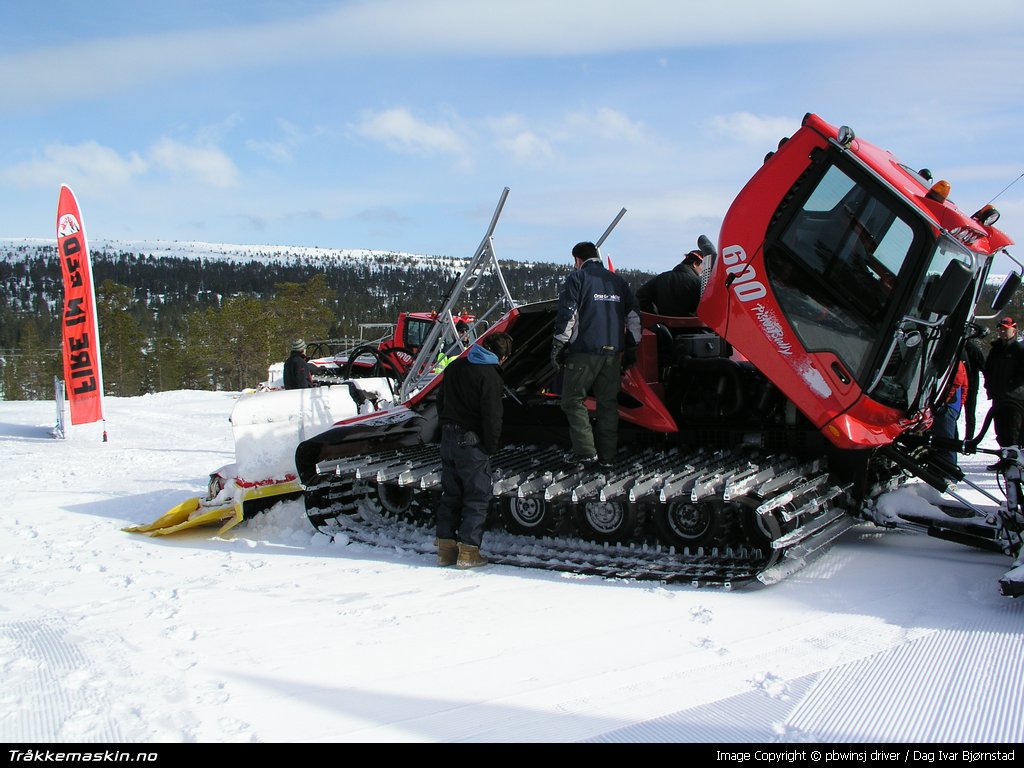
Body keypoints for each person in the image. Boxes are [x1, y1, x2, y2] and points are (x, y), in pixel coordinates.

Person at [550, 241, 642, 467]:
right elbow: (634, 316)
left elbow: (568, 314)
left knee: (572, 400)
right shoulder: (618, 281)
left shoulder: (577, 279)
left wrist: (558, 346)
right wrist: (631, 346)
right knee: (608, 404)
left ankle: (586, 452)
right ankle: (608, 456)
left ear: (578, 260)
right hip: (613, 353)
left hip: (584, 352)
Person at [434, 331, 514, 568]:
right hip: (471, 443)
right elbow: (492, 415)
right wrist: (490, 446)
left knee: (451, 494)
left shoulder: (455, 367)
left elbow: (440, 401)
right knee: (476, 497)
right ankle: (468, 552)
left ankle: (445, 551)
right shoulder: (489, 375)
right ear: (503, 356)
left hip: (448, 437)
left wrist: (446, 427)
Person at [982, 317, 1024, 468]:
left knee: (1013, 430)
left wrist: (1013, 384)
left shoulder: (1018, 350)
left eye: (1005, 329)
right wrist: (989, 385)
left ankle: (1014, 461)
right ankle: (1005, 459)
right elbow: (988, 369)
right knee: (1000, 430)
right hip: (998, 397)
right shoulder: (996, 350)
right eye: (1000, 329)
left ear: (1014, 329)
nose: (1002, 331)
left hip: (1014, 398)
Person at [635, 249, 704, 316]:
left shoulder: (661, 278)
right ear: (695, 264)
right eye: (703, 266)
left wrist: (653, 315)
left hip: (663, 325)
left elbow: (640, 296)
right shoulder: (698, 282)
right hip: (692, 326)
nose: (703, 270)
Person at [931, 357, 968, 467]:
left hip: (946, 406)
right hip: (950, 406)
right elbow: (964, 387)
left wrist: (943, 400)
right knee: (946, 441)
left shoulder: (952, 360)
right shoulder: (956, 361)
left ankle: (948, 475)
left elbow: (957, 383)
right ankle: (941, 470)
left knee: (946, 443)